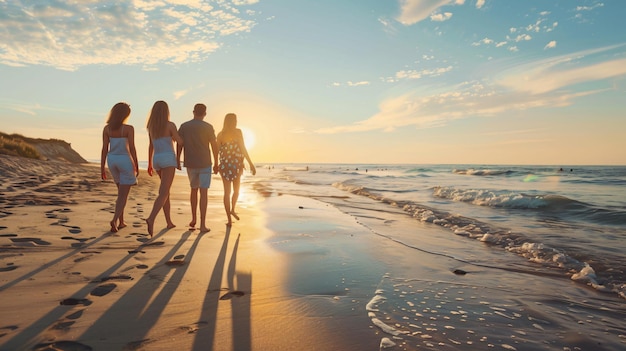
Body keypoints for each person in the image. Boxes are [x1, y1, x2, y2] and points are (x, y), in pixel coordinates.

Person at [177, 103, 218, 232]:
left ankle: (194, 219)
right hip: (205, 162)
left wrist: (177, 159)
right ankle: (202, 224)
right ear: (205, 113)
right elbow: (214, 145)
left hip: (190, 162)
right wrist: (216, 162)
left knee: (193, 190)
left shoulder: (184, 126)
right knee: (204, 192)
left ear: (193, 111)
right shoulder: (208, 127)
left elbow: (180, 144)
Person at [145, 100, 183, 237]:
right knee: (163, 192)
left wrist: (149, 163)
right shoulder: (170, 125)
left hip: (157, 159)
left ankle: (169, 222)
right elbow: (180, 142)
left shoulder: (151, 126)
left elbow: (151, 146)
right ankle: (151, 218)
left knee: (166, 192)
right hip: (168, 159)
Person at [100, 102, 139, 233]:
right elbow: (132, 148)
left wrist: (102, 167)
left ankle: (121, 221)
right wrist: (136, 164)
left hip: (112, 160)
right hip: (124, 160)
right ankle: (115, 220)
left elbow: (104, 149)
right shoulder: (128, 129)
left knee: (120, 193)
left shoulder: (107, 129)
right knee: (123, 195)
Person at [216, 113, 256, 226]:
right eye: (235, 120)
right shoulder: (237, 133)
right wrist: (250, 163)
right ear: (231, 121)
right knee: (233, 191)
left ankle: (230, 215)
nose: (236, 122)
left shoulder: (221, 135)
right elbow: (243, 148)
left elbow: (217, 150)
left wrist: (216, 163)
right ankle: (230, 213)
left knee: (229, 192)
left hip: (227, 166)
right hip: (235, 165)